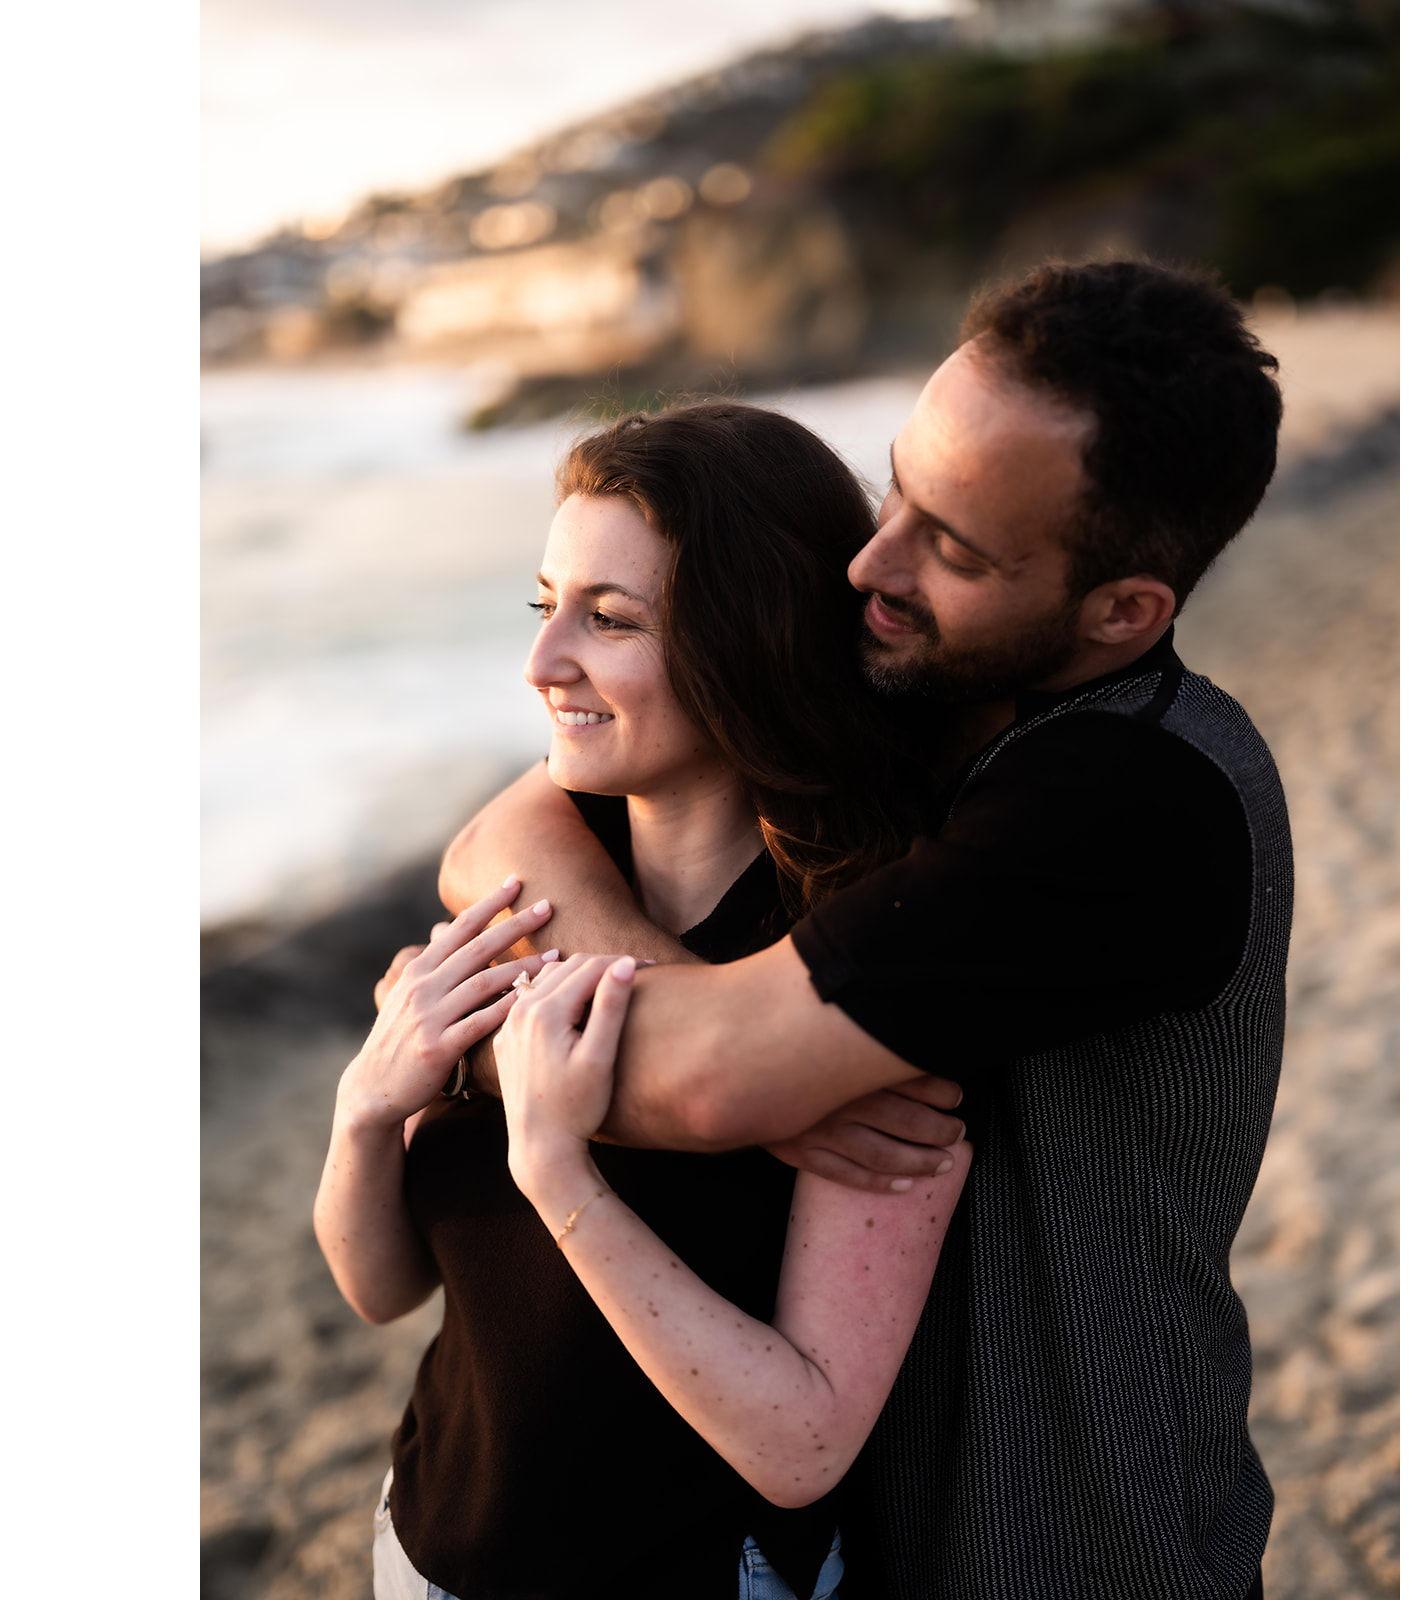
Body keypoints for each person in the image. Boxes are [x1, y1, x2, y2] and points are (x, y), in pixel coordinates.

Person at [439, 258, 1291, 1599]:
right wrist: (657, 1027)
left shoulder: (1128, 804)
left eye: (953, 546)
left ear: (1123, 612)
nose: (870, 561)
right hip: (877, 1531)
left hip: (1067, 1537)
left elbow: (704, 1073)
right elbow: (504, 830)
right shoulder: (930, 678)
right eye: (898, 489)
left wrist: (489, 1038)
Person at [314, 403, 974, 1600]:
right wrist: (365, 1109)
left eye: (607, 619)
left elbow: (802, 1442)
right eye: (544, 605)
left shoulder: (847, 968)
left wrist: (558, 1173)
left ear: (748, 643)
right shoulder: (528, 898)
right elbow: (382, 1287)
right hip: (424, 1550)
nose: (541, 662)